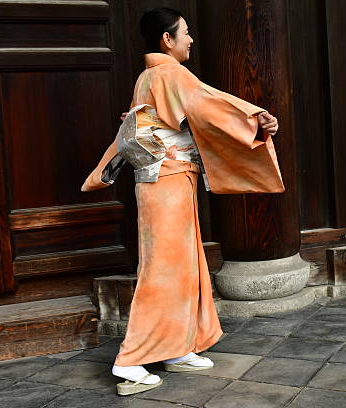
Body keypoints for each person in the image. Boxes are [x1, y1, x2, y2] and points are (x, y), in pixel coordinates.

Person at [81, 7, 283, 396]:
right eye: (185, 33)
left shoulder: (149, 77)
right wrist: (256, 118)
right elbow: (209, 104)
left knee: (185, 263)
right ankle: (130, 362)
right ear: (166, 40)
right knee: (164, 270)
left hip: (168, 181)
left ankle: (176, 346)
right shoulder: (169, 74)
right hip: (167, 182)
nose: (191, 39)